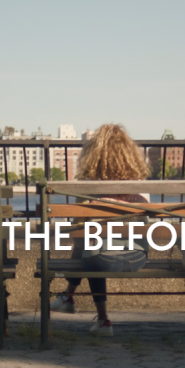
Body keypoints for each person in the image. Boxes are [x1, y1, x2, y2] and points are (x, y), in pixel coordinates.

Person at [49, 123, 151, 336]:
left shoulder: (89, 188)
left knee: (90, 247)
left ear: (93, 155)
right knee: (95, 245)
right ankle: (68, 297)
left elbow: (78, 235)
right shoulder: (142, 185)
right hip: (138, 257)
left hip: (101, 259)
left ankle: (100, 317)